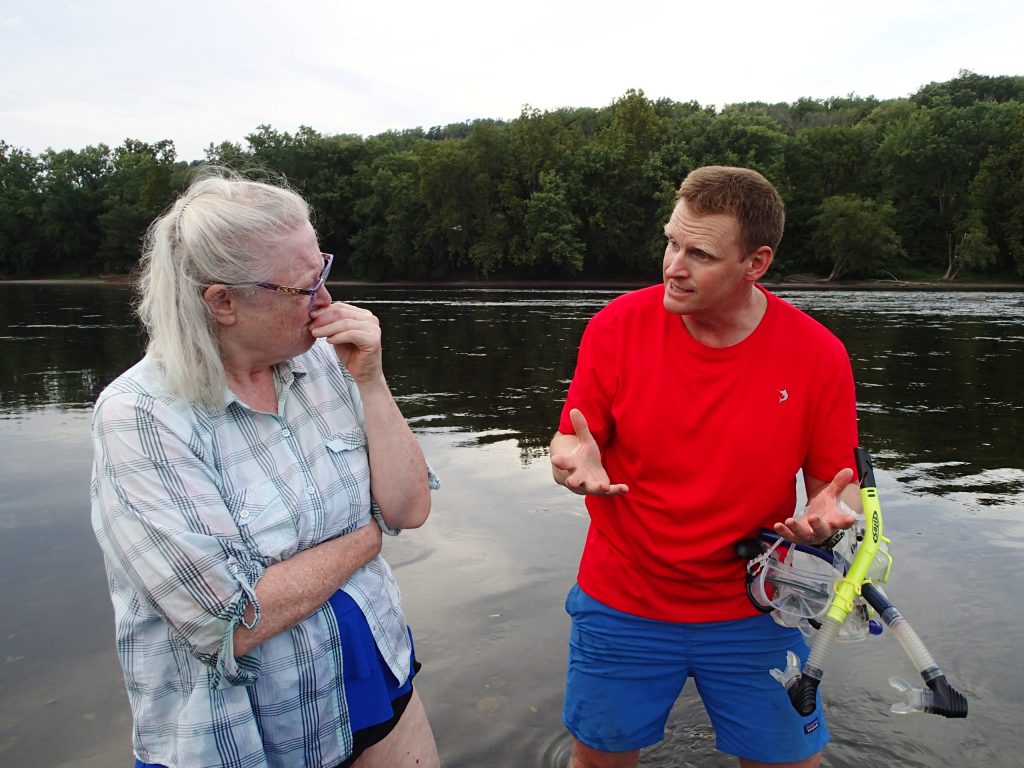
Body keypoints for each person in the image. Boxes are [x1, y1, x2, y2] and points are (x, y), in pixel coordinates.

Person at [90, 169, 441, 768]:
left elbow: (410, 508)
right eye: (303, 288)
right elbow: (227, 623)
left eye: (322, 273)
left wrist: (374, 382)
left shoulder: (324, 364)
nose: (326, 301)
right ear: (223, 302)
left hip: (377, 680)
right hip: (243, 732)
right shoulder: (141, 417)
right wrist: (365, 540)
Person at [549, 166, 863, 768]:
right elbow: (573, 438)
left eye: (700, 253)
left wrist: (827, 516)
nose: (673, 266)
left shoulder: (818, 354)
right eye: (671, 242)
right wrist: (569, 458)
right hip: (623, 599)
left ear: (756, 263)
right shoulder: (617, 327)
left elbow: (832, 490)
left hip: (754, 606)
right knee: (598, 761)